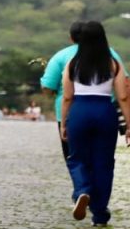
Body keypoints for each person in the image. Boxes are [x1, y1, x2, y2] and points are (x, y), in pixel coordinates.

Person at [60, 21, 130, 226]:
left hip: (80, 111)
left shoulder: (73, 63)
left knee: (77, 158)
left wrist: (64, 123)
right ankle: (100, 213)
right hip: (104, 112)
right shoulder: (112, 63)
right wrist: (129, 124)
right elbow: (123, 97)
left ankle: (82, 190)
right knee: (104, 163)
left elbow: (67, 96)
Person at [41, 21, 122, 162]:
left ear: (71, 38)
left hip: (69, 114)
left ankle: (82, 184)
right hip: (105, 112)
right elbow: (124, 84)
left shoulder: (61, 56)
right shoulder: (110, 54)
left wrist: (54, 93)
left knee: (75, 159)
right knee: (102, 159)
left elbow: (48, 87)